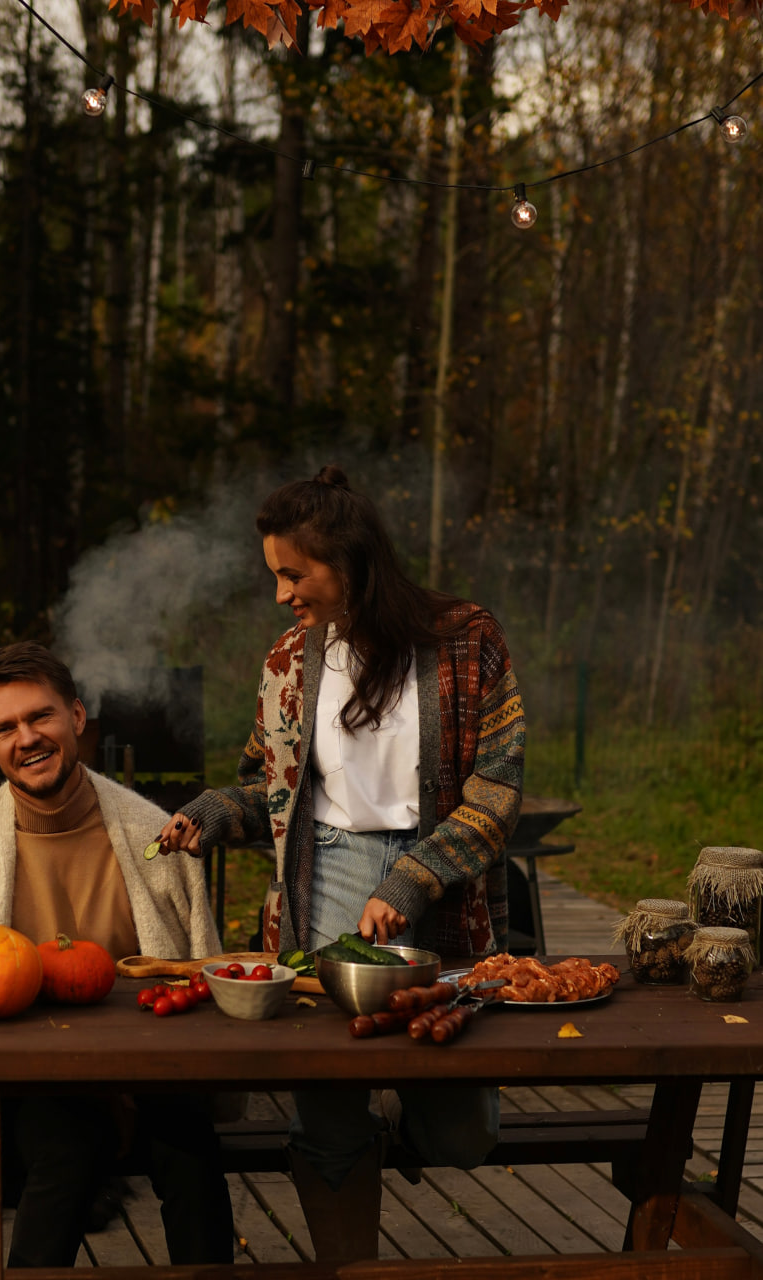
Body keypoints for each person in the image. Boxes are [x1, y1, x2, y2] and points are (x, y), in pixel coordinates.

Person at [154, 465, 526, 1263]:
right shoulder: (289, 661)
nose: (282, 593)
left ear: (350, 558)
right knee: (326, 1113)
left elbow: (497, 791)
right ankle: (346, 1262)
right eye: (275, 576)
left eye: (294, 573)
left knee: (465, 1132)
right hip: (320, 889)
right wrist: (219, 810)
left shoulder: (467, 637)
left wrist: (413, 876)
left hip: (441, 893)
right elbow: (270, 787)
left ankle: (391, 1130)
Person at [0, 642, 234, 1268]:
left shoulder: (151, 835)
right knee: (68, 1144)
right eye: (5, 728)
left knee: (190, 1140)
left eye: (41, 717)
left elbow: (198, 965)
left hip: (144, 1070)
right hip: (20, 1083)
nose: (26, 738)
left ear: (78, 718)